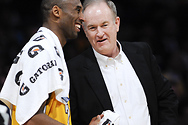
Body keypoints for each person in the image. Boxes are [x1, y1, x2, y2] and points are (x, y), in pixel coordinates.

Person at [67, 0, 179, 125]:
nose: (99, 33)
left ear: (116, 23)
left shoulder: (142, 52)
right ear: (85, 31)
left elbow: (166, 97)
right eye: (92, 28)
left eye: (104, 25)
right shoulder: (74, 70)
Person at [0, 0, 101, 124]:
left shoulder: (51, 49)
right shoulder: (42, 51)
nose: (82, 17)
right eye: (77, 10)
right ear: (56, 12)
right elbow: (30, 118)